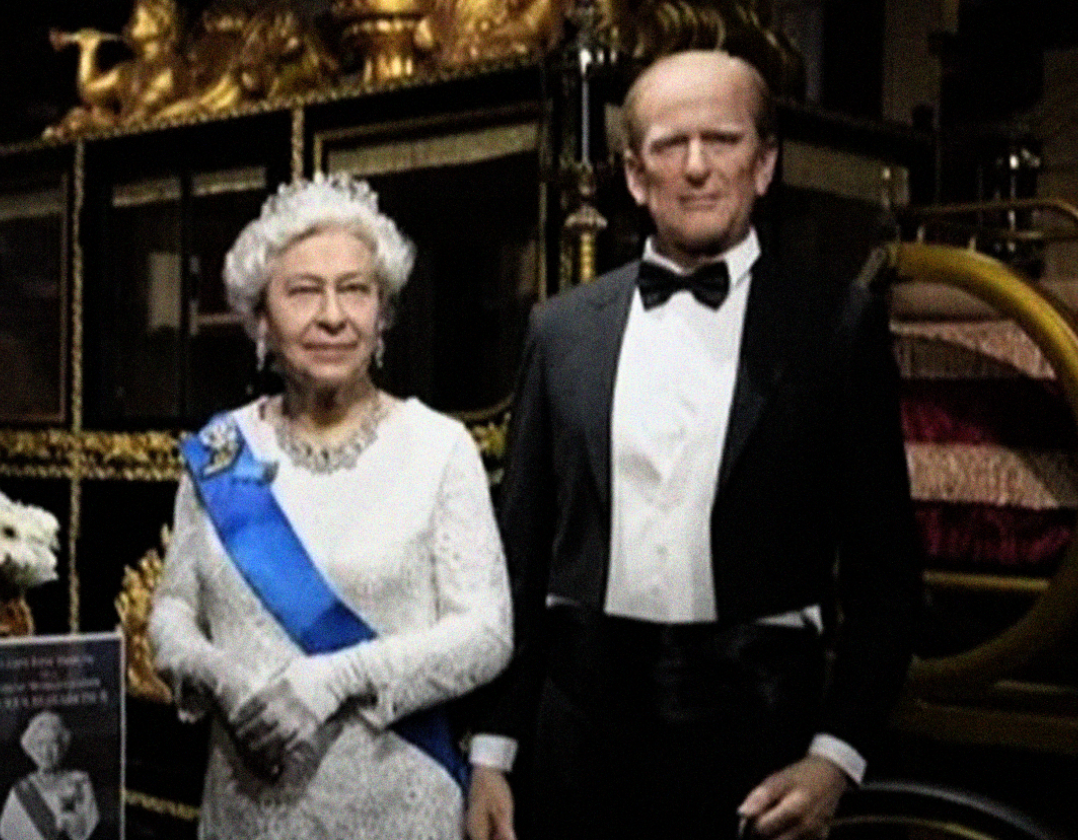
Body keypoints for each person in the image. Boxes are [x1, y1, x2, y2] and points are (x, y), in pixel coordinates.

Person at [465, 50, 922, 840]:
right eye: (670, 145)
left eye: (724, 139)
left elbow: (886, 570)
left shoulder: (836, 326)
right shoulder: (560, 328)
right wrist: (491, 752)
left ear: (765, 163)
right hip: (576, 737)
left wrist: (835, 755)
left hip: (760, 739)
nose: (698, 167)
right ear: (635, 175)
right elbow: (521, 555)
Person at [148, 173, 512, 839]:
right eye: (303, 292)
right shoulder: (223, 450)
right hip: (246, 809)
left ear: (383, 315)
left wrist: (333, 678)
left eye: (355, 290)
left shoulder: (438, 448)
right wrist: (223, 681)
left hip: (395, 801)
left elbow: (486, 634)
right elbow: (172, 610)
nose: (333, 316)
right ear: (259, 318)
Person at [0, 710, 99, 840]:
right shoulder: (22, 789)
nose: (46, 751)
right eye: (40, 744)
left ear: (63, 746)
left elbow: (89, 828)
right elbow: (7, 832)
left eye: (53, 743)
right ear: (31, 749)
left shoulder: (79, 782)